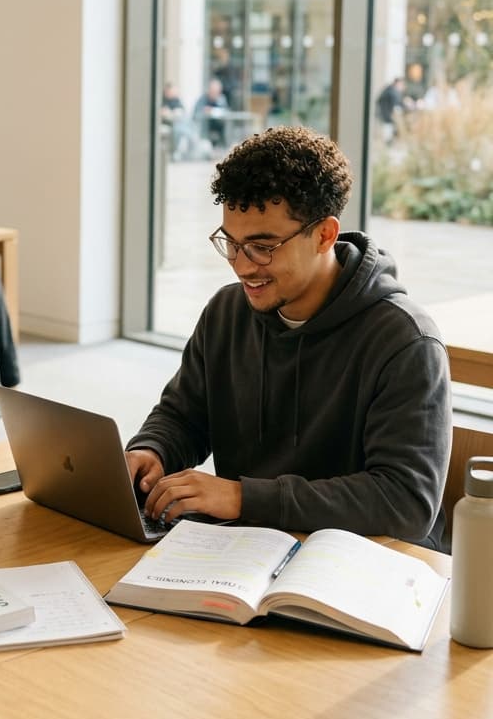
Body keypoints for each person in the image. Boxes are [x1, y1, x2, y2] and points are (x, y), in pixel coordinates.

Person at [125, 126, 450, 549]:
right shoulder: (227, 312)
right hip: (250, 549)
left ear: (325, 235)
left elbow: (406, 502)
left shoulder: (406, 342)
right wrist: (152, 452)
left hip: (366, 563)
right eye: (231, 243)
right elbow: (184, 416)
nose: (242, 266)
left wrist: (245, 497)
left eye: (263, 246)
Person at [192, 78, 229, 148]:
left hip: (218, 125)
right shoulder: (203, 99)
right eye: (213, 91)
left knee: (225, 125)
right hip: (205, 126)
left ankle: (223, 146)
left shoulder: (221, 99)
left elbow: (225, 111)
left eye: (217, 92)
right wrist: (204, 111)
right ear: (209, 90)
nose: (215, 93)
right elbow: (196, 113)